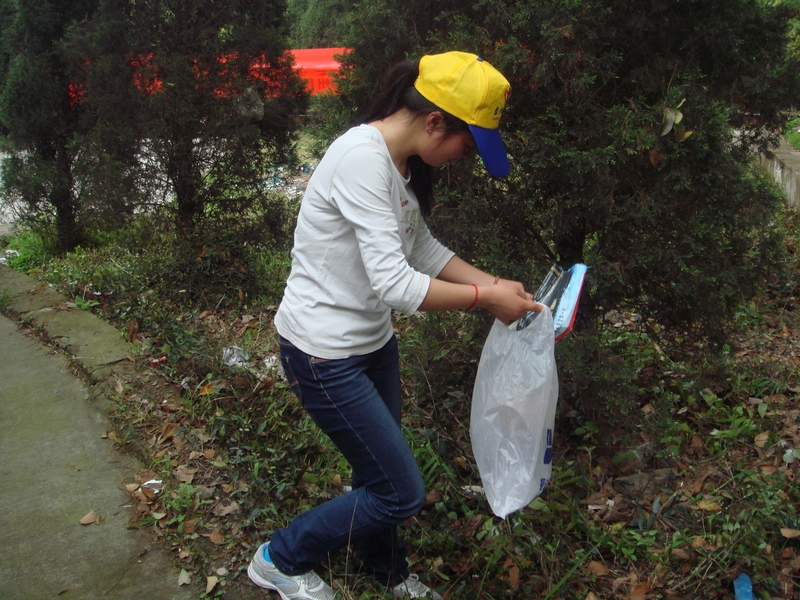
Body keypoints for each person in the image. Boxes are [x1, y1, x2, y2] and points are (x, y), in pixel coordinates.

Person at [247, 51, 543, 600]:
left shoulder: (401, 164)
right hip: (322, 354)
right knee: (400, 493)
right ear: (434, 121)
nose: (462, 159)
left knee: (376, 474)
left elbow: (421, 248)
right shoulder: (361, 160)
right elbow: (398, 287)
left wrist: (499, 285)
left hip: (372, 346)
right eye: (465, 146)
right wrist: (486, 299)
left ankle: (385, 570)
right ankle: (279, 558)